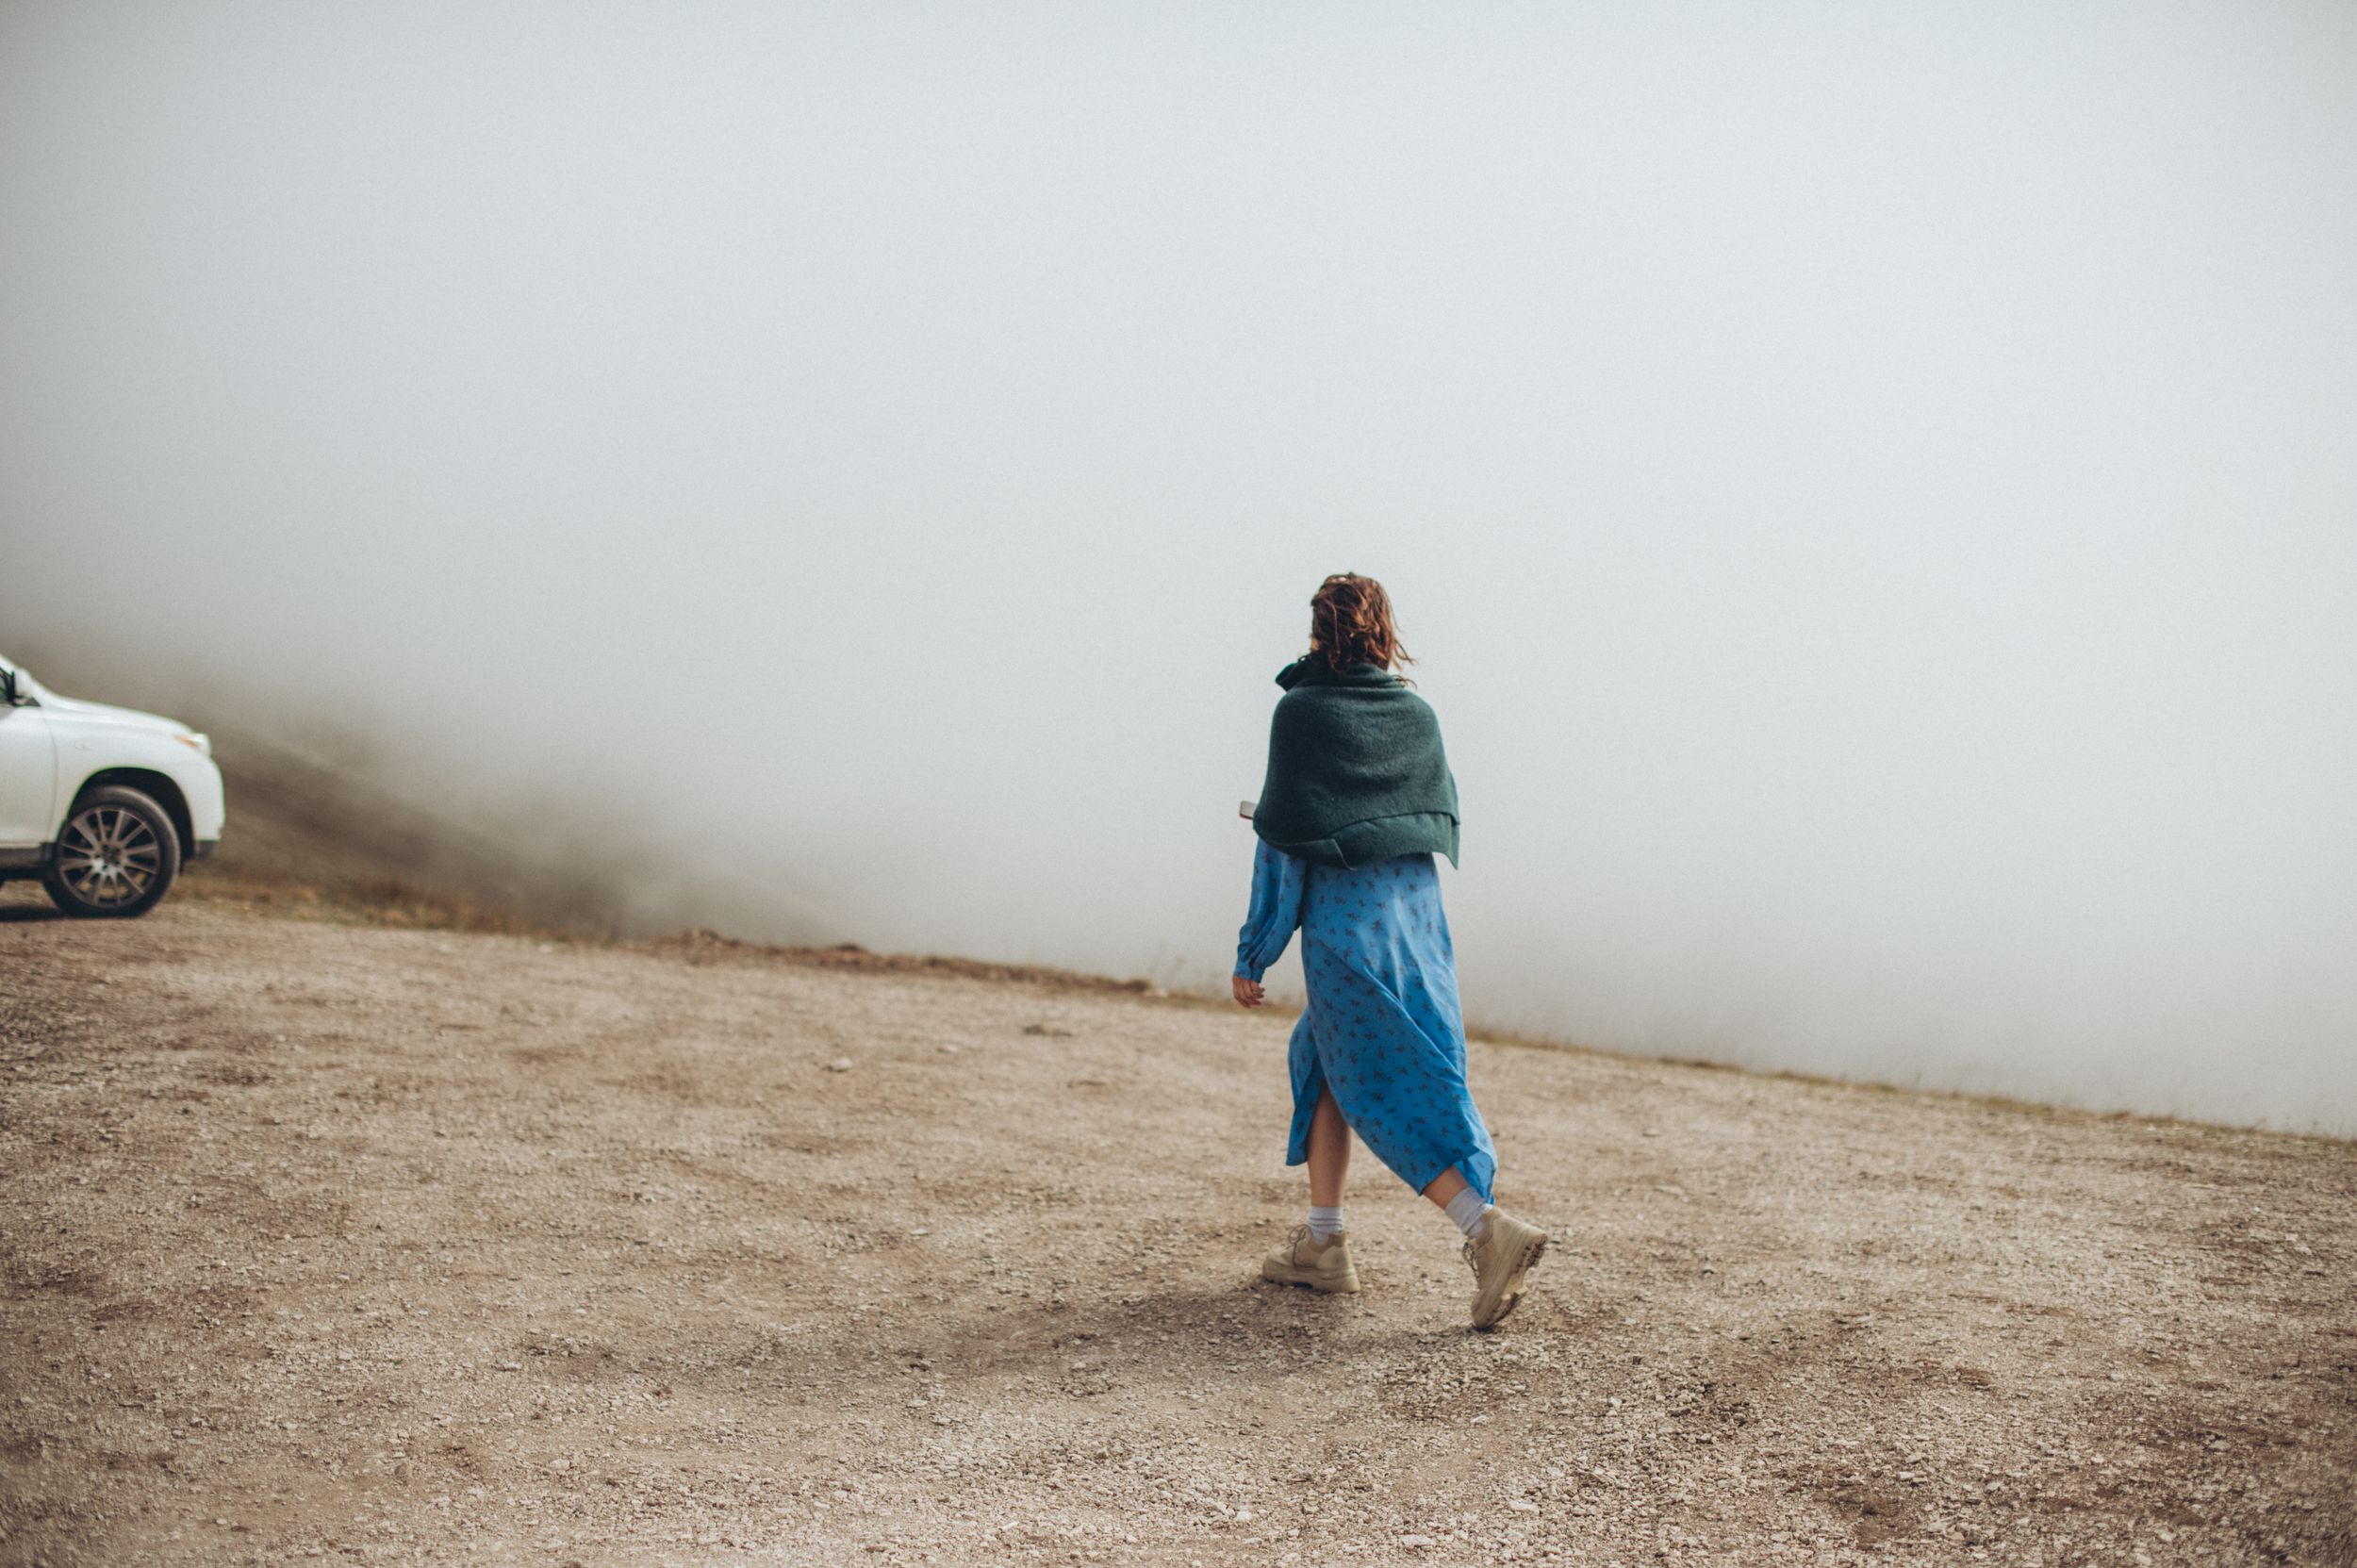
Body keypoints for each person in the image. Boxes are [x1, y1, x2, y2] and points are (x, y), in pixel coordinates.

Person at [1232, 572, 1549, 1329]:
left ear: (1319, 631)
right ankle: (1324, 1243)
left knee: (1376, 1086)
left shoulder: (1301, 713)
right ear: (1384, 631)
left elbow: (1285, 842)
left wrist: (1255, 950)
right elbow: (1430, 827)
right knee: (1323, 1060)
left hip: (1345, 938)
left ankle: (1486, 1228)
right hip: (1415, 930)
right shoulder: (1416, 716)